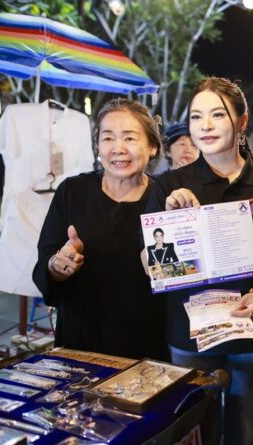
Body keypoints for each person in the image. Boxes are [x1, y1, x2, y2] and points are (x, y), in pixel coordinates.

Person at [144, 77, 253, 445]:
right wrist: (171, 219)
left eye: (217, 114)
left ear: (241, 122)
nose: (206, 126)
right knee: (193, 431)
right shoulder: (168, 186)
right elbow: (151, 265)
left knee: (247, 433)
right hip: (189, 333)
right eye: (196, 117)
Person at [32, 98, 167, 361]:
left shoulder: (165, 199)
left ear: (152, 147)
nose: (118, 148)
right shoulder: (72, 192)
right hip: (80, 340)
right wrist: (56, 267)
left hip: (147, 343)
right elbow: (45, 265)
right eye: (107, 138)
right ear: (98, 146)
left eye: (129, 138)